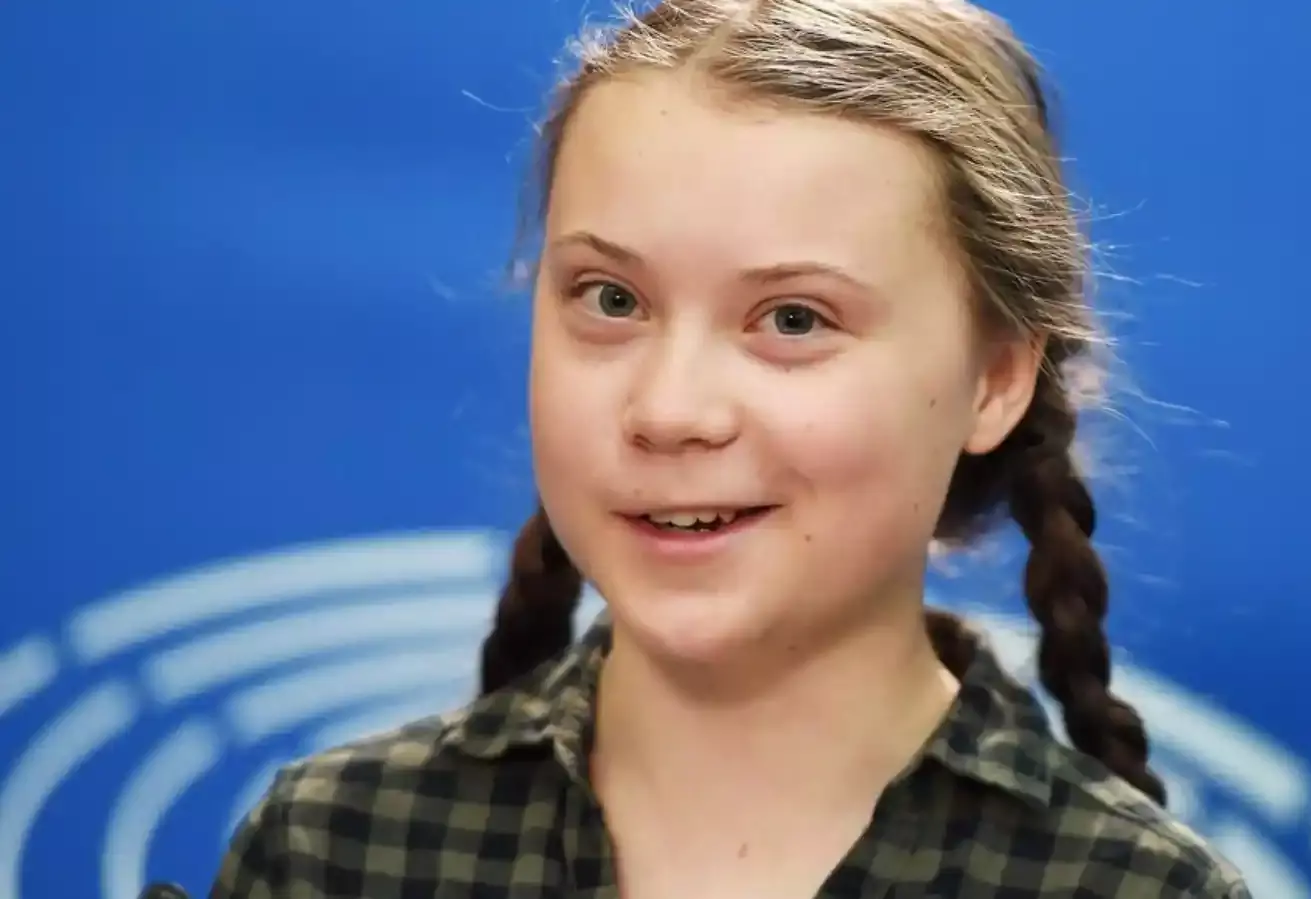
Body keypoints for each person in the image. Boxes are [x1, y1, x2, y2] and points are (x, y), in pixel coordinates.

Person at [212, 1, 1251, 896]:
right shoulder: (333, 849)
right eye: (611, 300)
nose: (670, 410)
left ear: (996, 379)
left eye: (793, 319)